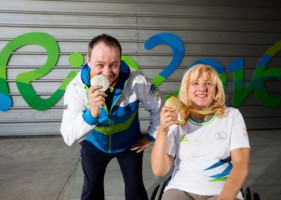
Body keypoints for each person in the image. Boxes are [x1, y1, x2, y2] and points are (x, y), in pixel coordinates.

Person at [60, 33, 164, 200]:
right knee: (91, 191)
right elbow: (68, 136)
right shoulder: (76, 87)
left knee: (135, 191)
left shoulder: (137, 81)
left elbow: (160, 107)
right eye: (100, 65)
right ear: (88, 60)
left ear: (120, 61)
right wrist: (91, 113)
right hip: (94, 146)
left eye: (113, 65)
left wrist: (152, 136)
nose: (107, 72)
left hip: (129, 145)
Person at [151, 64, 250, 200]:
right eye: (195, 83)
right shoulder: (176, 118)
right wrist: (163, 130)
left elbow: (241, 164)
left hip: (220, 191)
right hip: (181, 188)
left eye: (208, 83)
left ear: (216, 90)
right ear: (187, 90)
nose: (202, 88)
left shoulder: (232, 116)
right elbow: (159, 170)